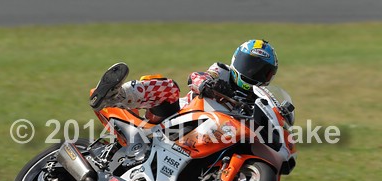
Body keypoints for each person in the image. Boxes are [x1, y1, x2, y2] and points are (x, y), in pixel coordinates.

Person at [89, 39, 278, 122]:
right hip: (176, 117)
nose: (253, 73)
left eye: (261, 71)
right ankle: (116, 95)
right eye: (249, 65)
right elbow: (196, 78)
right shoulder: (222, 71)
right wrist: (208, 84)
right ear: (237, 60)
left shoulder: (257, 100)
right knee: (170, 87)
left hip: (212, 136)